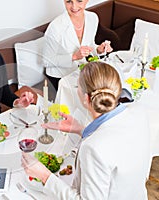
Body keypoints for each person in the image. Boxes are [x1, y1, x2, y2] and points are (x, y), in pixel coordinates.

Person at [22, 62, 151, 199]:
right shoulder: (139, 111)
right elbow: (118, 147)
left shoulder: (93, 148)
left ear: (86, 98)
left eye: (77, 86)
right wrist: (81, 130)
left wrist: (45, 176)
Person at [43, 0, 113, 90]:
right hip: (60, 78)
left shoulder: (92, 18)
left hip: (80, 72)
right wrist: (73, 56)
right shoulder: (55, 27)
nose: (74, 7)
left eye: (79, 1)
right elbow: (46, 61)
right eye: (69, 1)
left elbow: (90, 44)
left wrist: (99, 50)